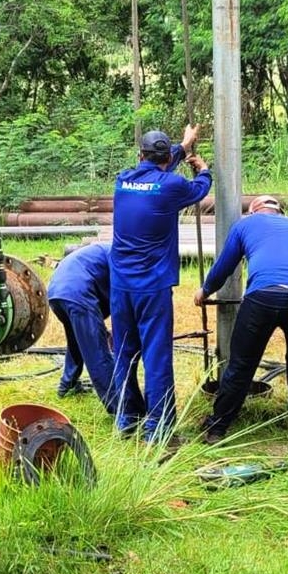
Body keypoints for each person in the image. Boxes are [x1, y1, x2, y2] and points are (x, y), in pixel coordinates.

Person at [110, 125, 211, 442]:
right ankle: (159, 428)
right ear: (167, 158)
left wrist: (182, 145)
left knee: (124, 352)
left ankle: (126, 420)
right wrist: (204, 169)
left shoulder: (123, 181)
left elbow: (159, 168)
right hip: (151, 287)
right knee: (156, 355)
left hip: (120, 284)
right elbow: (199, 190)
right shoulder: (172, 186)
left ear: (140, 155)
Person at [194, 195, 288, 444]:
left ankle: (217, 429)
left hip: (264, 295)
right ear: (279, 212)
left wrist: (205, 290)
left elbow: (225, 266)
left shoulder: (244, 225)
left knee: (242, 364)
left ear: (253, 211)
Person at [46, 242, 115, 409]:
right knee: (97, 353)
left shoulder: (104, 251)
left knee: (77, 340)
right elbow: (122, 300)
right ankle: (119, 406)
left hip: (56, 292)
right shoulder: (120, 259)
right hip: (77, 293)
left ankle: (67, 383)